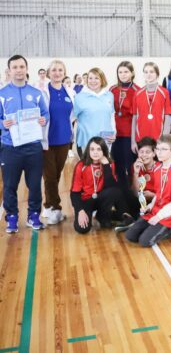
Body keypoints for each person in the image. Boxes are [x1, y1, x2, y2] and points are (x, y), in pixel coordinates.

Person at [1, 55, 49, 232]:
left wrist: (43, 119)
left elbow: (45, 113)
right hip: (10, 147)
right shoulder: (2, 94)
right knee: (10, 185)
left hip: (33, 147)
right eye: (15, 67)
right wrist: (2, 123)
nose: (19, 70)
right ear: (9, 70)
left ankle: (33, 215)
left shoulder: (36, 93)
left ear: (27, 69)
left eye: (22, 66)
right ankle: (12, 217)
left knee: (34, 185)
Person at [125, 134, 171, 247]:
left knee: (144, 241)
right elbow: (159, 193)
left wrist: (159, 216)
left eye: (164, 149)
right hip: (156, 210)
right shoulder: (157, 168)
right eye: (158, 149)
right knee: (130, 236)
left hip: (170, 214)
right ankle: (155, 227)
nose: (159, 152)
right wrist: (149, 207)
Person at [41, 59, 75, 225]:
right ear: (49, 73)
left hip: (64, 140)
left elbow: (73, 115)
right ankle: (56, 208)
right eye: (54, 70)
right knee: (49, 176)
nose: (57, 73)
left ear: (64, 72)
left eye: (60, 70)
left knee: (56, 174)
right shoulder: (42, 91)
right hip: (46, 140)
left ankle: (48, 205)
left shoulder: (70, 92)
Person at [70, 137, 121, 234]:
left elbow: (111, 187)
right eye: (92, 149)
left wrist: (106, 165)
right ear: (88, 151)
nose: (95, 152)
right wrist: (80, 210)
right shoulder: (81, 165)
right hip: (85, 201)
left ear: (104, 151)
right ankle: (88, 214)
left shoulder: (109, 164)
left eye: (99, 149)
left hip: (101, 198)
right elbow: (74, 193)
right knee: (82, 229)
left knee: (115, 191)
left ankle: (102, 216)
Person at [131, 63, 171, 151]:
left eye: (151, 72)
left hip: (158, 139)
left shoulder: (164, 92)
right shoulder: (137, 93)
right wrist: (133, 141)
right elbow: (134, 118)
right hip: (141, 138)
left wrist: (163, 140)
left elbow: (167, 117)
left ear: (157, 74)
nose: (148, 74)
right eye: (146, 72)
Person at [110, 61, 140, 189]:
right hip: (114, 134)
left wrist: (135, 139)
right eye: (120, 72)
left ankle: (132, 195)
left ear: (132, 73)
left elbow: (138, 116)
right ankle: (120, 195)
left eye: (126, 72)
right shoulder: (112, 89)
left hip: (129, 134)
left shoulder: (137, 90)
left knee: (130, 166)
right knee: (117, 166)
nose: (123, 74)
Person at [73, 67, 115, 157]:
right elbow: (73, 118)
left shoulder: (109, 95)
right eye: (90, 78)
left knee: (105, 164)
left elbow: (112, 116)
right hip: (87, 141)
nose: (93, 81)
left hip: (105, 140)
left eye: (96, 78)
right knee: (88, 165)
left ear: (102, 80)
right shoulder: (79, 97)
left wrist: (114, 132)